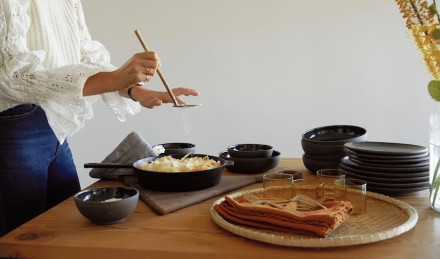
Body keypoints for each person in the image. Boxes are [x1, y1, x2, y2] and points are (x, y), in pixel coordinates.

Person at [0, 0, 198, 236]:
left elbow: (90, 62)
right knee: (21, 239)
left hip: (56, 127)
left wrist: (138, 91)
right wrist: (116, 78)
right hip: (15, 125)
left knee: (65, 230)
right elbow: (11, 77)